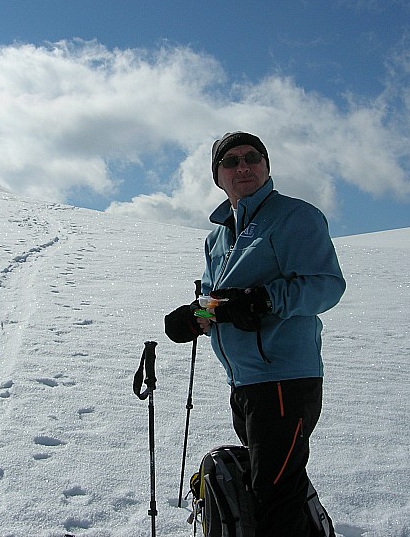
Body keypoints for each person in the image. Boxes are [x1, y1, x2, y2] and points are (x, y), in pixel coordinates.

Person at [165, 131, 345, 536]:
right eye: (231, 161)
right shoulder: (219, 236)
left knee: (274, 498)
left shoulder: (295, 216)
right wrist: (192, 318)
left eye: (252, 157)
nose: (242, 166)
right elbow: (218, 303)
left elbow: (326, 285)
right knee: (274, 487)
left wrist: (264, 300)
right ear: (218, 176)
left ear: (266, 167)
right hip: (244, 380)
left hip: (284, 378)